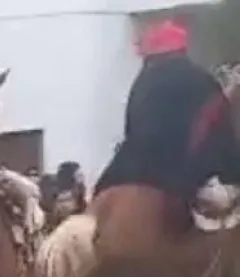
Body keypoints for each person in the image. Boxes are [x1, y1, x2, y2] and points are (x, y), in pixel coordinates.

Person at [95, 19, 240, 201]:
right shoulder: (198, 78)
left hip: (128, 168)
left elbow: (130, 128)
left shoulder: (141, 81)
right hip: (182, 170)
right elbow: (217, 119)